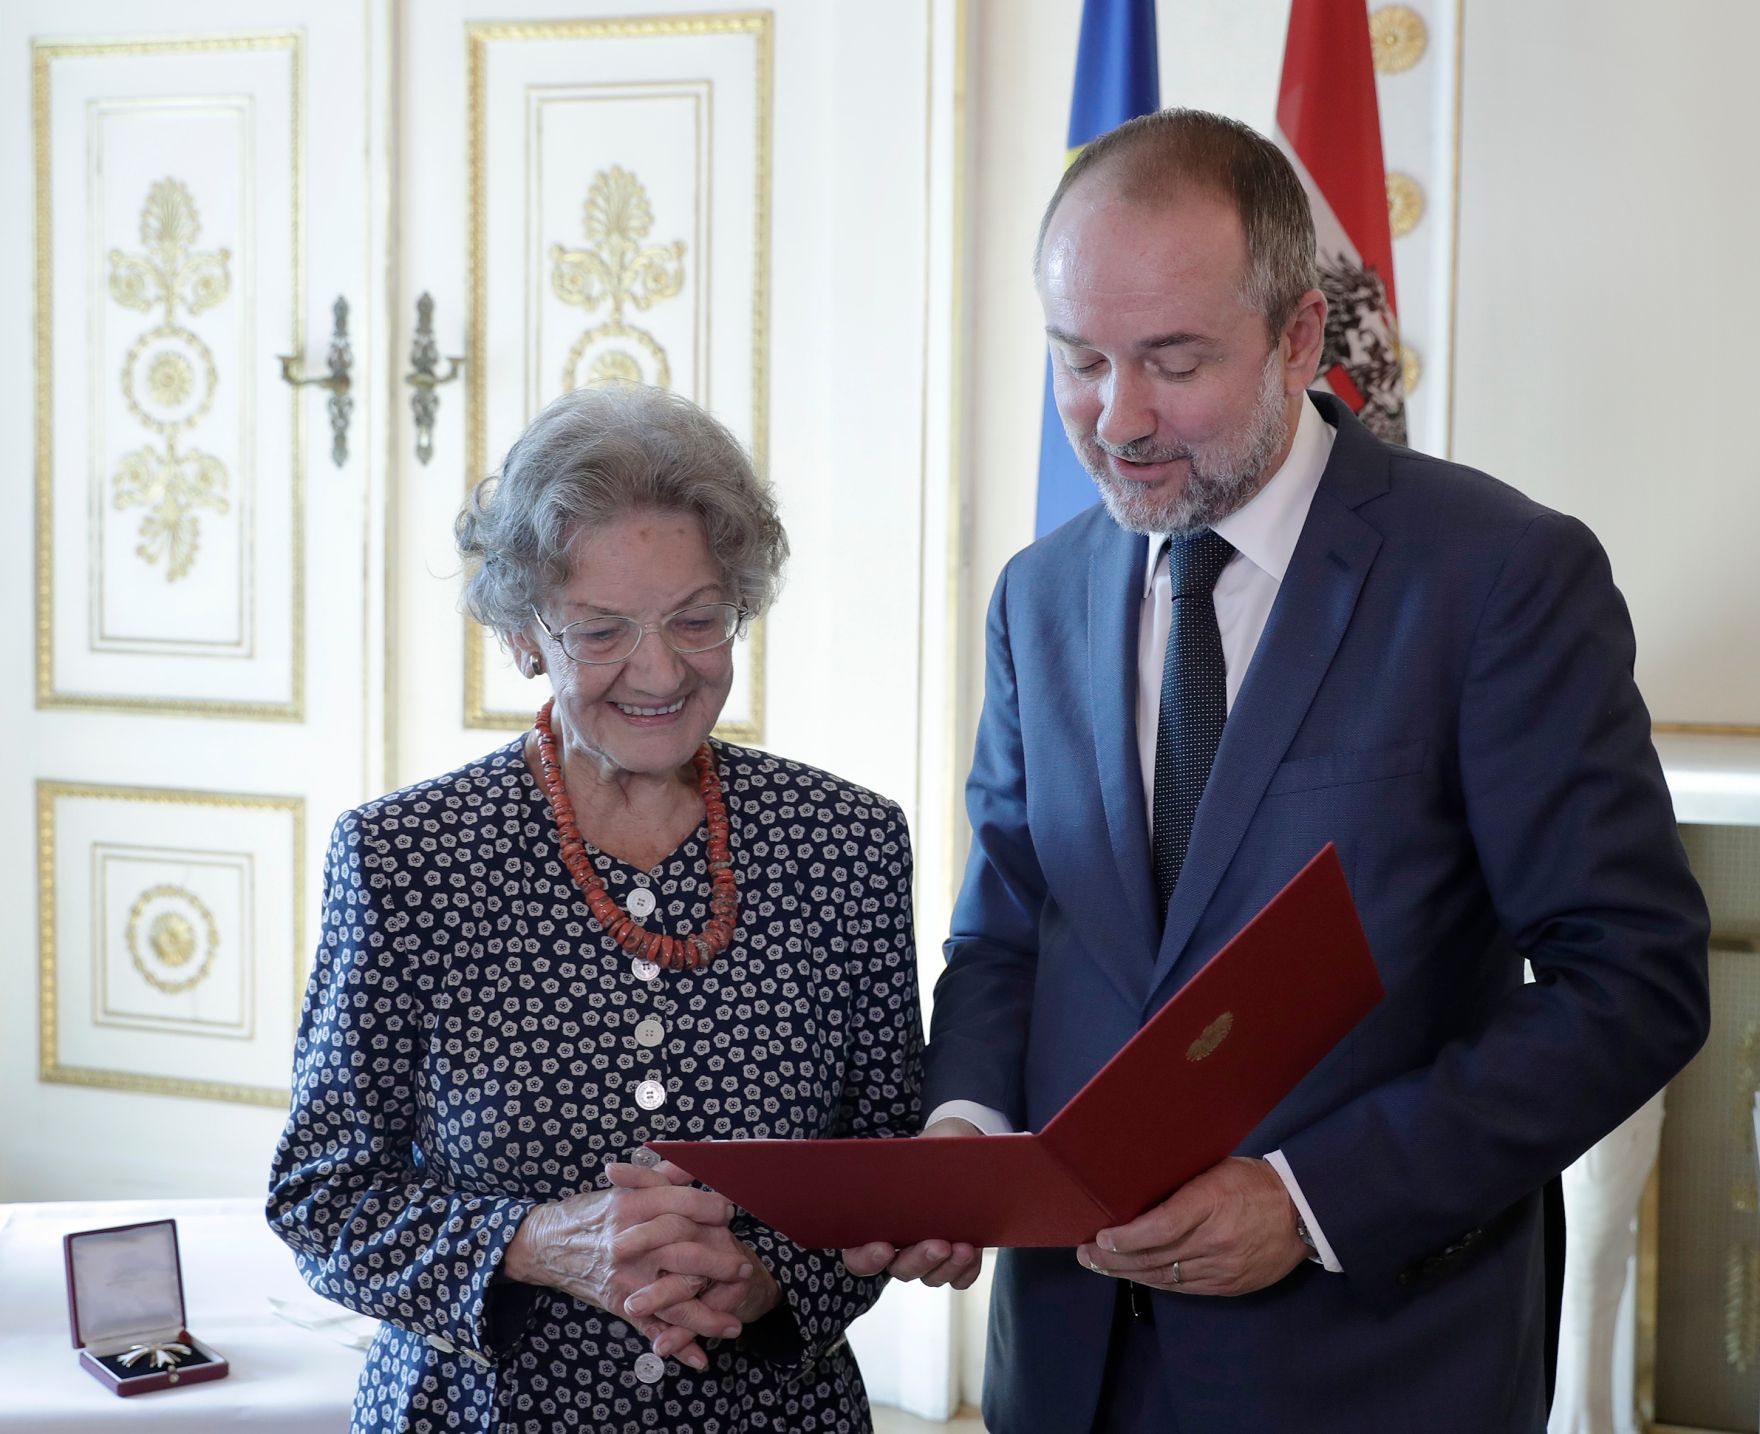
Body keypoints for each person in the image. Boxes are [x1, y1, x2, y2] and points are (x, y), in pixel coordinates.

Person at [847, 108, 1710, 1431]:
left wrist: (1314, 1198)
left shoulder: (1496, 578)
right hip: (1069, 1363)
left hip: (1373, 1361)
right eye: (1078, 360)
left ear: (1302, 338)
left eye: (1173, 361)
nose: (1116, 417)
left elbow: (1633, 980)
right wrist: (966, 1127)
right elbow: (1012, 922)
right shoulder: (1038, 596)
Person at [268, 383, 923, 1434]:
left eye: (696, 620)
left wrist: (769, 1282)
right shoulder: (407, 859)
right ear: (527, 634)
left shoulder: (843, 845)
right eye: (600, 631)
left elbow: (888, 1171)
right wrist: (533, 1244)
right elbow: (323, 1196)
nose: (658, 671)